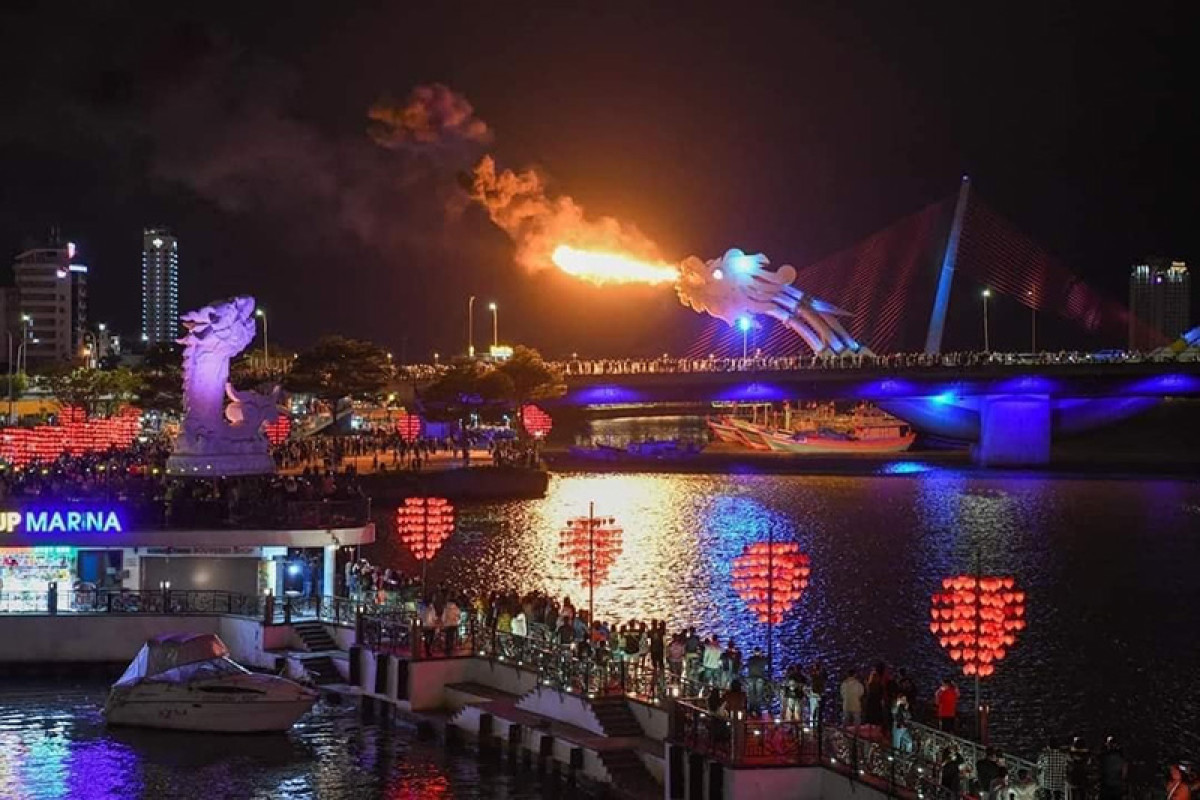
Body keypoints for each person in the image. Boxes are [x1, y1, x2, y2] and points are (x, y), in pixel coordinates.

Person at [745, 647, 769, 713]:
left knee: (751, 694)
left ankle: (751, 709)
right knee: (759, 695)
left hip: (751, 678)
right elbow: (768, 660)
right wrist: (763, 655)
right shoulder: (762, 660)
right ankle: (758, 710)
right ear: (759, 652)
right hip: (759, 678)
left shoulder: (750, 659)